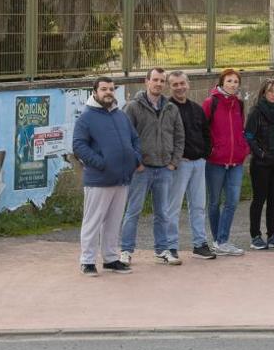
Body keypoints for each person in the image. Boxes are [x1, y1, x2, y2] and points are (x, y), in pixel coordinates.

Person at [73, 77, 138, 276]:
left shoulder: (120, 115)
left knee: (113, 221)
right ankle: (87, 261)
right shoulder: (86, 117)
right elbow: (79, 146)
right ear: (95, 92)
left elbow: (135, 139)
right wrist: (102, 164)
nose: (108, 92)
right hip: (99, 180)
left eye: (111, 89)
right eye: (104, 89)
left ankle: (110, 259)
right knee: (93, 221)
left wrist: (135, 159)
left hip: (122, 178)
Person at [120, 67, 184, 266]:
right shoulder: (133, 107)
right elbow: (125, 138)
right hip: (141, 170)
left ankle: (162, 250)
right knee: (133, 211)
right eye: (155, 80)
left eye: (162, 81)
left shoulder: (171, 108)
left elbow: (179, 137)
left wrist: (173, 162)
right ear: (146, 81)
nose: (158, 84)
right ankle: (125, 251)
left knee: (162, 213)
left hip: (164, 169)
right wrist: (136, 163)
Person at [164, 71, 214, 260]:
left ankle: (200, 244)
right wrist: (175, 158)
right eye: (175, 84)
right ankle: (170, 246)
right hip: (179, 165)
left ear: (188, 84)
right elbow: (167, 136)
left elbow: (206, 132)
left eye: (182, 83)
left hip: (199, 163)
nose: (179, 87)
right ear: (170, 87)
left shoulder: (196, 108)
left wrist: (205, 153)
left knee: (199, 206)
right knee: (173, 207)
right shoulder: (167, 108)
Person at [203, 68, 249, 256]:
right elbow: (203, 129)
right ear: (222, 83)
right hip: (216, 161)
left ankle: (222, 240)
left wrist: (243, 148)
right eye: (229, 81)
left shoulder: (238, 103)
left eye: (236, 82)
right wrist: (211, 150)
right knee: (214, 202)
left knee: (232, 201)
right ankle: (218, 241)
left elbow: (241, 129)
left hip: (236, 161)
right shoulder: (210, 102)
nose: (233, 85)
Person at [244, 78, 274, 250]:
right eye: (270, 91)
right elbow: (249, 136)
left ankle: (273, 235)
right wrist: (262, 154)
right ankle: (255, 236)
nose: (273, 94)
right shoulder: (256, 111)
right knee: (259, 199)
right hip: (261, 164)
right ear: (263, 93)